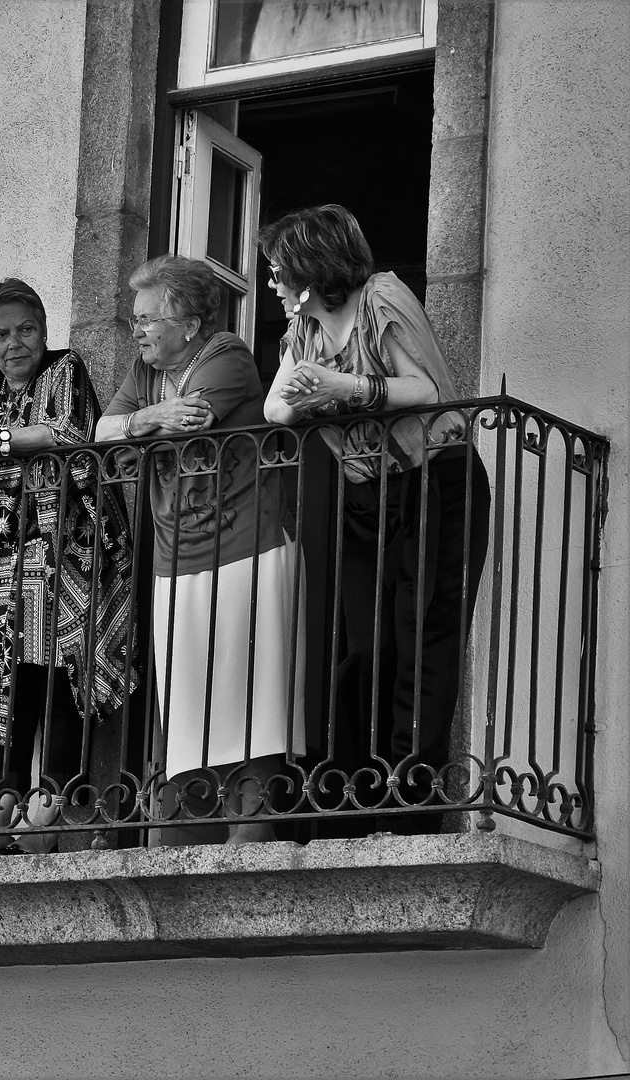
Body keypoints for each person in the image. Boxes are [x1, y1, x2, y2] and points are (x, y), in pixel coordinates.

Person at [260, 204, 490, 830]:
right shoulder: (301, 335)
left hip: (435, 480)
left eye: (280, 272)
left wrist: (345, 390)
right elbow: (276, 410)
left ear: (312, 269)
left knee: (422, 639)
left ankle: (410, 801)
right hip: (366, 492)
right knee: (360, 642)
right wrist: (311, 393)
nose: (273, 284)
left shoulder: (381, 298)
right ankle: (356, 795)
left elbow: (426, 392)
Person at [0, 278, 138, 856]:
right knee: (2, 685)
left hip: (63, 560)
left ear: (44, 331)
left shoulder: (67, 370)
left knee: (62, 680)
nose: (14, 344)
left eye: (26, 330)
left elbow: (69, 433)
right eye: (0, 334)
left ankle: (55, 815)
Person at [96, 255, 304, 843]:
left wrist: (142, 423)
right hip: (174, 551)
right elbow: (101, 431)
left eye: (145, 319)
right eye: (133, 318)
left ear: (187, 324)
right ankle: (182, 834)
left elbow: (191, 422)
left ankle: (252, 832)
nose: (134, 330)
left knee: (248, 691)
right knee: (187, 700)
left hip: (247, 544)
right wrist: (148, 418)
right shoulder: (145, 377)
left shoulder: (227, 355)